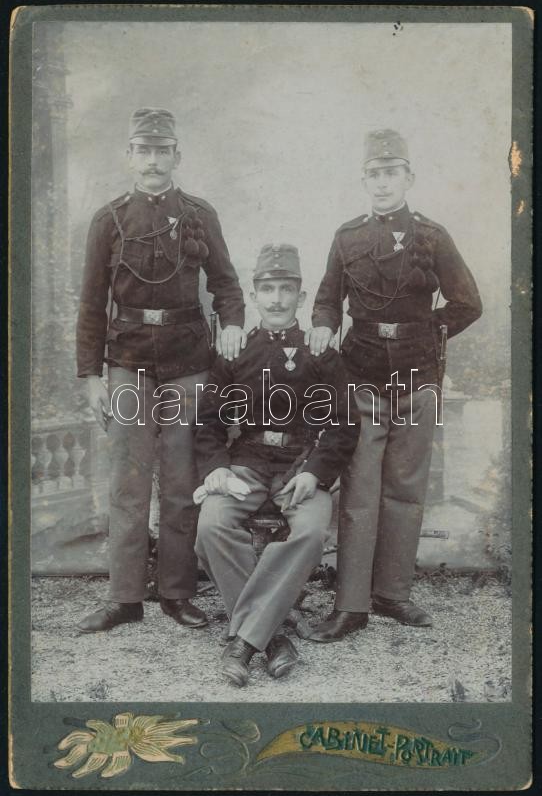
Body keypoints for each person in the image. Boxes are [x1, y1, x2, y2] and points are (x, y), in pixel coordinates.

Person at [307, 129, 483, 642]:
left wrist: (428, 332)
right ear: (364, 180)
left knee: (405, 489)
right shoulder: (347, 237)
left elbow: (468, 303)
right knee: (360, 491)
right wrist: (323, 324)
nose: (382, 182)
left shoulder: (432, 236)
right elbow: (327, 297)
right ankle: (351, 605)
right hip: (360, 372)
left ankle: (392, 594)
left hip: (416, 374)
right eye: (374, 174)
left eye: (391, 173)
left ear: (409, 178)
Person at [76, 107, 245, 632]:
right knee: (128, 482)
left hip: (187, 363)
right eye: (143, 150)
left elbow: (226, 283)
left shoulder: (198, 214)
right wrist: (91, 375)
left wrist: (233, 324)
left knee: (180, 481)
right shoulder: (108, 220)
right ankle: (124, 597)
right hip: (127, 363)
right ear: (129, 156)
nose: (152, 161)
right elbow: (91, 303)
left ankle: (177, 592)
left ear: (177, 156)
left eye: (162, 151)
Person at [194, 244, 359, 685]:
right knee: (211, 524)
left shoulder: (320, 353)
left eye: (286, 289)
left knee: (310, 532)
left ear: (301, 297)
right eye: (268, 289)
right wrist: (217, 468)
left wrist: (315, 473)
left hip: (300, 468)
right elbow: (207, 420)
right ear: (254, 295)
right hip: (246, 465)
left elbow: (345, 423)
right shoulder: (235, 351)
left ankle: (245, 642)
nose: (277, 299)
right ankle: (274, 637)